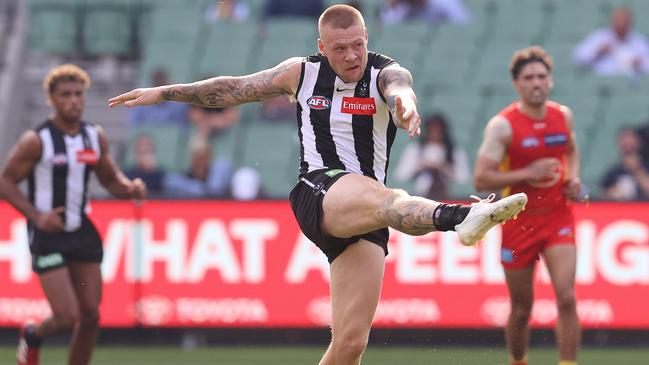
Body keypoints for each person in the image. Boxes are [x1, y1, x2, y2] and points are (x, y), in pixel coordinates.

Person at [108, 5, 526, 364]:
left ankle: (462, 218)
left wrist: (405, 105)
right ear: (323, 47)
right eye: (340, 48)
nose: (351, 55)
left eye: (357, 44)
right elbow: (233, 89)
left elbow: (400, 89)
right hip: (318, 188)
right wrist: (164, 93)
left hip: (364, 207)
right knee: (388, 201)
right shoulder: (300, 73)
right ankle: (462, 217)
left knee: (348, 345)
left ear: (367, 37)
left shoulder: (387, 72)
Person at [0, 64, 146, 365]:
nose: (74, 100)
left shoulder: (94, 137)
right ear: (52, 99)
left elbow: (109, 179)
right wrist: (36, 215)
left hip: (81, 231)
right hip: (48, 235)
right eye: (66, 94)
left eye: (79, 94)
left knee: (91, 314)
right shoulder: (37, 140)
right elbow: (4, 180)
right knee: (67, 316)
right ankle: (33, 335)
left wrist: (129, 188)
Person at [474, 46, 582, 365]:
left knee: (567, 297)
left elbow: (571, 150)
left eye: (542, 76)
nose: (537, 82)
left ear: (550, 80)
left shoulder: (563, 115)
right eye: (529, 77)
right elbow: (481, 178)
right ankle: (518, 361)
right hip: (518, 222)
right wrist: (526, 173)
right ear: (517, 84)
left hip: (558, 215)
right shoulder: (503, 126)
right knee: (522, 310)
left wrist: (573, 178)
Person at [395, 113, 469, 199]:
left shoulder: (455, 152)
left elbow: (463, 179)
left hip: (447, 197)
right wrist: (422, 166)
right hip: (420, 196)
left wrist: (443, 168)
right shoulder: (414, 150)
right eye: (431, 129)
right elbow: (401, 175)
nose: (435, 133)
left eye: (438, 129)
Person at [572, 6, 649, 76]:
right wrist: (598, 51)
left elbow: (646, 64)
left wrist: (639, 63)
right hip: (601, 85)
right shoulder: (599, 37)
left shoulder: (639, 41)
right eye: (618, 21)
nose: (621, 24)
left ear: (630, 23)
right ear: (612, 21)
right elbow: (578, 58)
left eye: (624, 21)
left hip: (630, 85)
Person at [163, 135, 233, 198]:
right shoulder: (187, 177)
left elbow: (214, 190)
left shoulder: (220, 167)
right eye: (197, 156)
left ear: (210, 155)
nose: (201, 161)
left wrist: (199, 189)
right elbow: (168, 181)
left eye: (204, 155)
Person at [600, 127, 649, 200]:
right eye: (623, 138)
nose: (627, 142)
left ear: (639, 142)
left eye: (630, 138)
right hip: (621, 209)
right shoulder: (612, 172)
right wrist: (613, 193)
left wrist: (636, 171)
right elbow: (601, 197)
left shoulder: (646, 166)